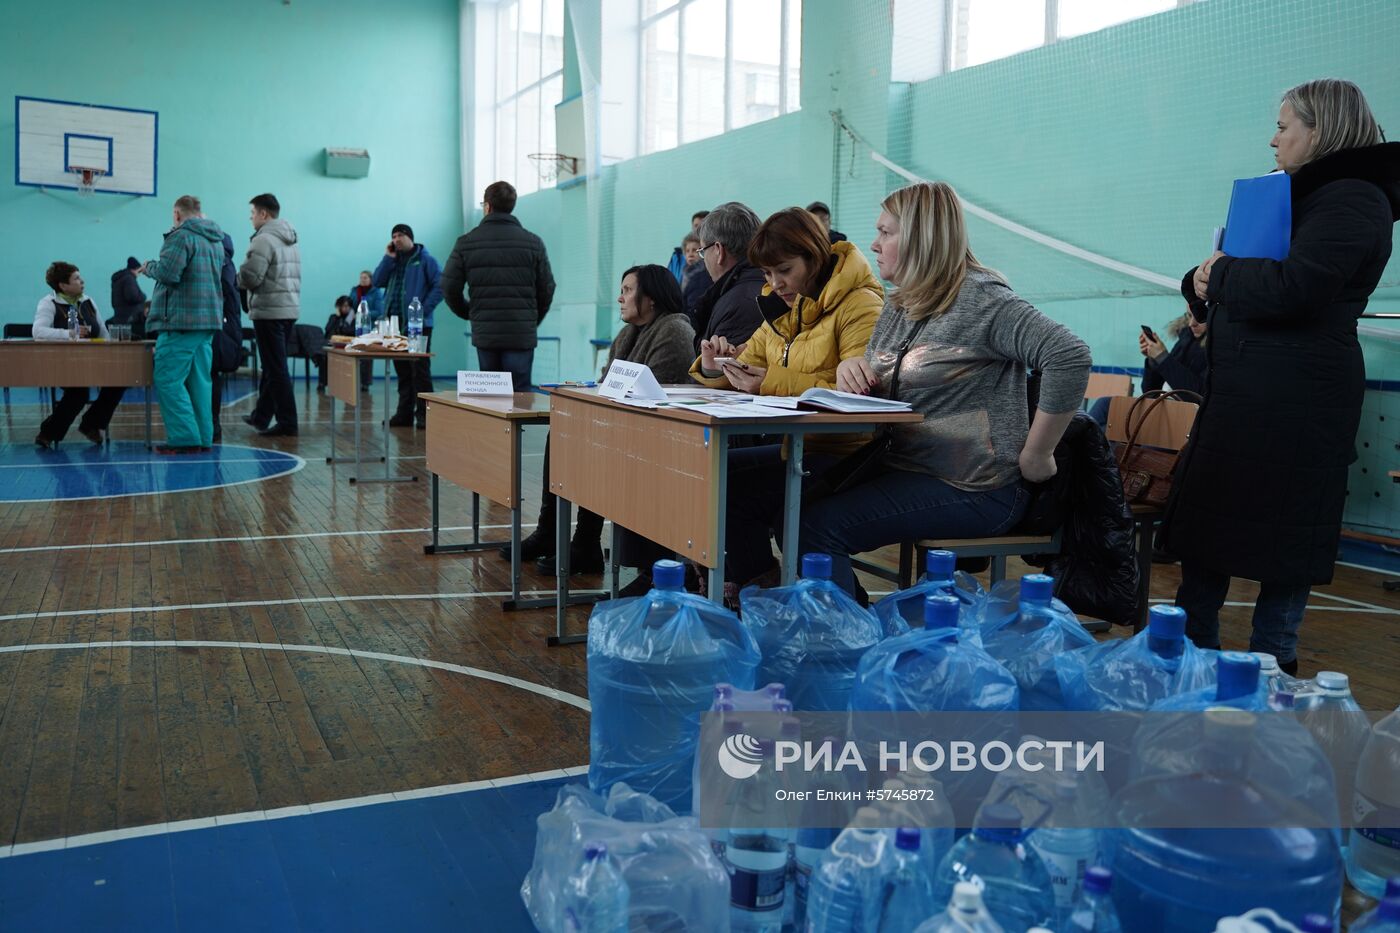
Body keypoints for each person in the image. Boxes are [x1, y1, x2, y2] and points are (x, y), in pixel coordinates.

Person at [1163, 78, 1399, 675]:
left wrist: (1217, 278)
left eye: (1284, 126)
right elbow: (1233, 269)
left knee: (1284, 551)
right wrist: (1200, 278)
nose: (1273, 140)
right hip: (1247, 396)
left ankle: (1270, 676)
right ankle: (1192, 667)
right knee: (1209, 539)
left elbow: (1299, 286)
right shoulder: (1294, 196)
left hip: (1297, 405)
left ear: (1320, 130)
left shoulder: (1354, 198)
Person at [796, 181, 1092, 595]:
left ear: (921, 237)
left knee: (818, 526)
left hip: (976, 486)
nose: (874, 244)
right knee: (790, 505)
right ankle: (858, 631)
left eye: (886, 232)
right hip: (908, 467)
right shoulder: (901, 304)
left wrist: (1037, 453)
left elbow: (1069, 355)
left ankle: (856, 646)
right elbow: (897, 384)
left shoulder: (982, 299)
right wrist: (853, 367)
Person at [688, 207, 884, 595]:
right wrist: (717, 367)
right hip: (801, 445)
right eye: (766, 274)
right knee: (710, 475)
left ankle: (787, 594)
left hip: (850, 452)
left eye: (784, 270)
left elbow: (857, 394)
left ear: (813, 257)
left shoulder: (861, 305)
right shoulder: (785, 308)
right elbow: (750, 365)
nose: (775, 283)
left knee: (737, 489)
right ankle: (762, 586)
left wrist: (769, 382)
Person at [517, 266, 697, 581]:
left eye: (627, 290)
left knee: (590, 441)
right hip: (626, 428)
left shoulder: (675, 331)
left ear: (651, 299)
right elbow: (607, 387)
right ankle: (554, 532)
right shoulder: (628, 333)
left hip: (659, 438)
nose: (620, 297)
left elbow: (656, 398)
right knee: (562, 431)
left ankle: (585, 541)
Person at [441, 181, 555, 392]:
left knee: (492, 394)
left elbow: (448, 287)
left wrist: (470, 312)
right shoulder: (533, 243)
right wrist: (531, 318)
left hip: (486, 331)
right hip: (521, 331)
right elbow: (547, 288)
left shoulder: (466, 242)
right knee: (520, 395)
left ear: (487, 206)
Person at [142, 194, 227, 454]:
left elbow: (168, 273)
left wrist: (148, 267)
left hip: (181, 321)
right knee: (200, 381)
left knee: (167, 379)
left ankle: (184, 438)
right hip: (207, 321)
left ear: (177, 214)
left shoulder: (180, 237)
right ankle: (203, 437)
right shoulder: (216, 241)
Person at [32, 262, 125, 449]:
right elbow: (38, 332)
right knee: (79, 393)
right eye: (76, 278)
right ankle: (48, 433)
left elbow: (103, 334)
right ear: (63, 285)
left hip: (92, 360)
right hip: (63, 363)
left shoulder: (88, 301)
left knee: (120, 379)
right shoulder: (48, 303)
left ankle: (91, 423)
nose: (82, 281)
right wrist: (69, 335)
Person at [237, 193, 301, 436]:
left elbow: (251, 277)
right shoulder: (290, 238)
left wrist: (238, 276)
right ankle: (261, 416)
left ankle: (288, 422)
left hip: (269, 310)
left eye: (253, 213)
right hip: (287, 308)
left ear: (264, 214)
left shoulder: (263, 239)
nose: (251, 217)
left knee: (276, 369)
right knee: (273, 365)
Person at [373, 223, 443, 427]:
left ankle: (424, 415)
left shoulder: (425, 260)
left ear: (410, 237)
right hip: (395, 326)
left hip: (417, 326)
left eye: (400, 235)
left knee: (419, 371)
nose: (396, 239)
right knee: (403, 373)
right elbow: (377, 281)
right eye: (393, 236)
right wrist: (388, 257)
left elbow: (441, 286)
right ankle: (403, 415)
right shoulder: (393, 261)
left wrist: (422, 311)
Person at [689, 201, 766, 354]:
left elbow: (726, 373)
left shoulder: (739, 304)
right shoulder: (763, 284)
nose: (703, 260)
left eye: (703, 251)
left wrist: (707, 371)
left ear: (718, 251)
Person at [210, 226, 246, 443]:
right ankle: (212, 423)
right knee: (213, 376)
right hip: (227, 325)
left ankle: (212, 424)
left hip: (219, 325)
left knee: (211, 374)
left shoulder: (220, 264)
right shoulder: (228, 264)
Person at [1140, 312, 1207, 394]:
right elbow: (1150, 393)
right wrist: (1154, 360)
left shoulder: (1218, 350)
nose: (1191, 323)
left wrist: (1162, 357)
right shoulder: (1186, 337)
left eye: (1200, 316)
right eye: (1189, 315)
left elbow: (1198, 395)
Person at [348, 269, 381, 389]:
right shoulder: (355, 290)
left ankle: (365, 383)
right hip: (355, 326)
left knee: (366, 356)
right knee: (353, 352)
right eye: (361, 277)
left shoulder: (376, 292)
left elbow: (379, 311)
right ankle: (352, 379)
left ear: (370, 279)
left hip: (369, 327)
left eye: (365, 278)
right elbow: (350, 305)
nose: (362, 280)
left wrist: (364, 314)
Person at [316, 296, 356, 391]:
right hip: (332, 344)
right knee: (323, 356)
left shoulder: (353, 319)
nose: (345, 308)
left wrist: (344, 324)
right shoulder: (333, 317)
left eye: (347, 306)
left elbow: (350, 331)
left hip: (347, 346)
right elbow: (328, 329)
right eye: (342, 306)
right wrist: (337, 318)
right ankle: (322, 383)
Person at [668, 210, 710, 281]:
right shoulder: (677, 257)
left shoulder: (713, 253)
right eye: (696, 226)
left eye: (702, 225)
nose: (698, 229)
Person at [679, 232, 711, 315]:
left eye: (694, 250)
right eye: (687, 251)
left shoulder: (705, 274)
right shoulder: (685, 274)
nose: (690, 254)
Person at [110, 257, 146, 325]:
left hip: (120, 317)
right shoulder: (129, 278)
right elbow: (132, 296)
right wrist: (143, 296)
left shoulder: (118, 279)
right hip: (130, 318)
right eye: (139, 271)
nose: (139, 274)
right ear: (135, 269)